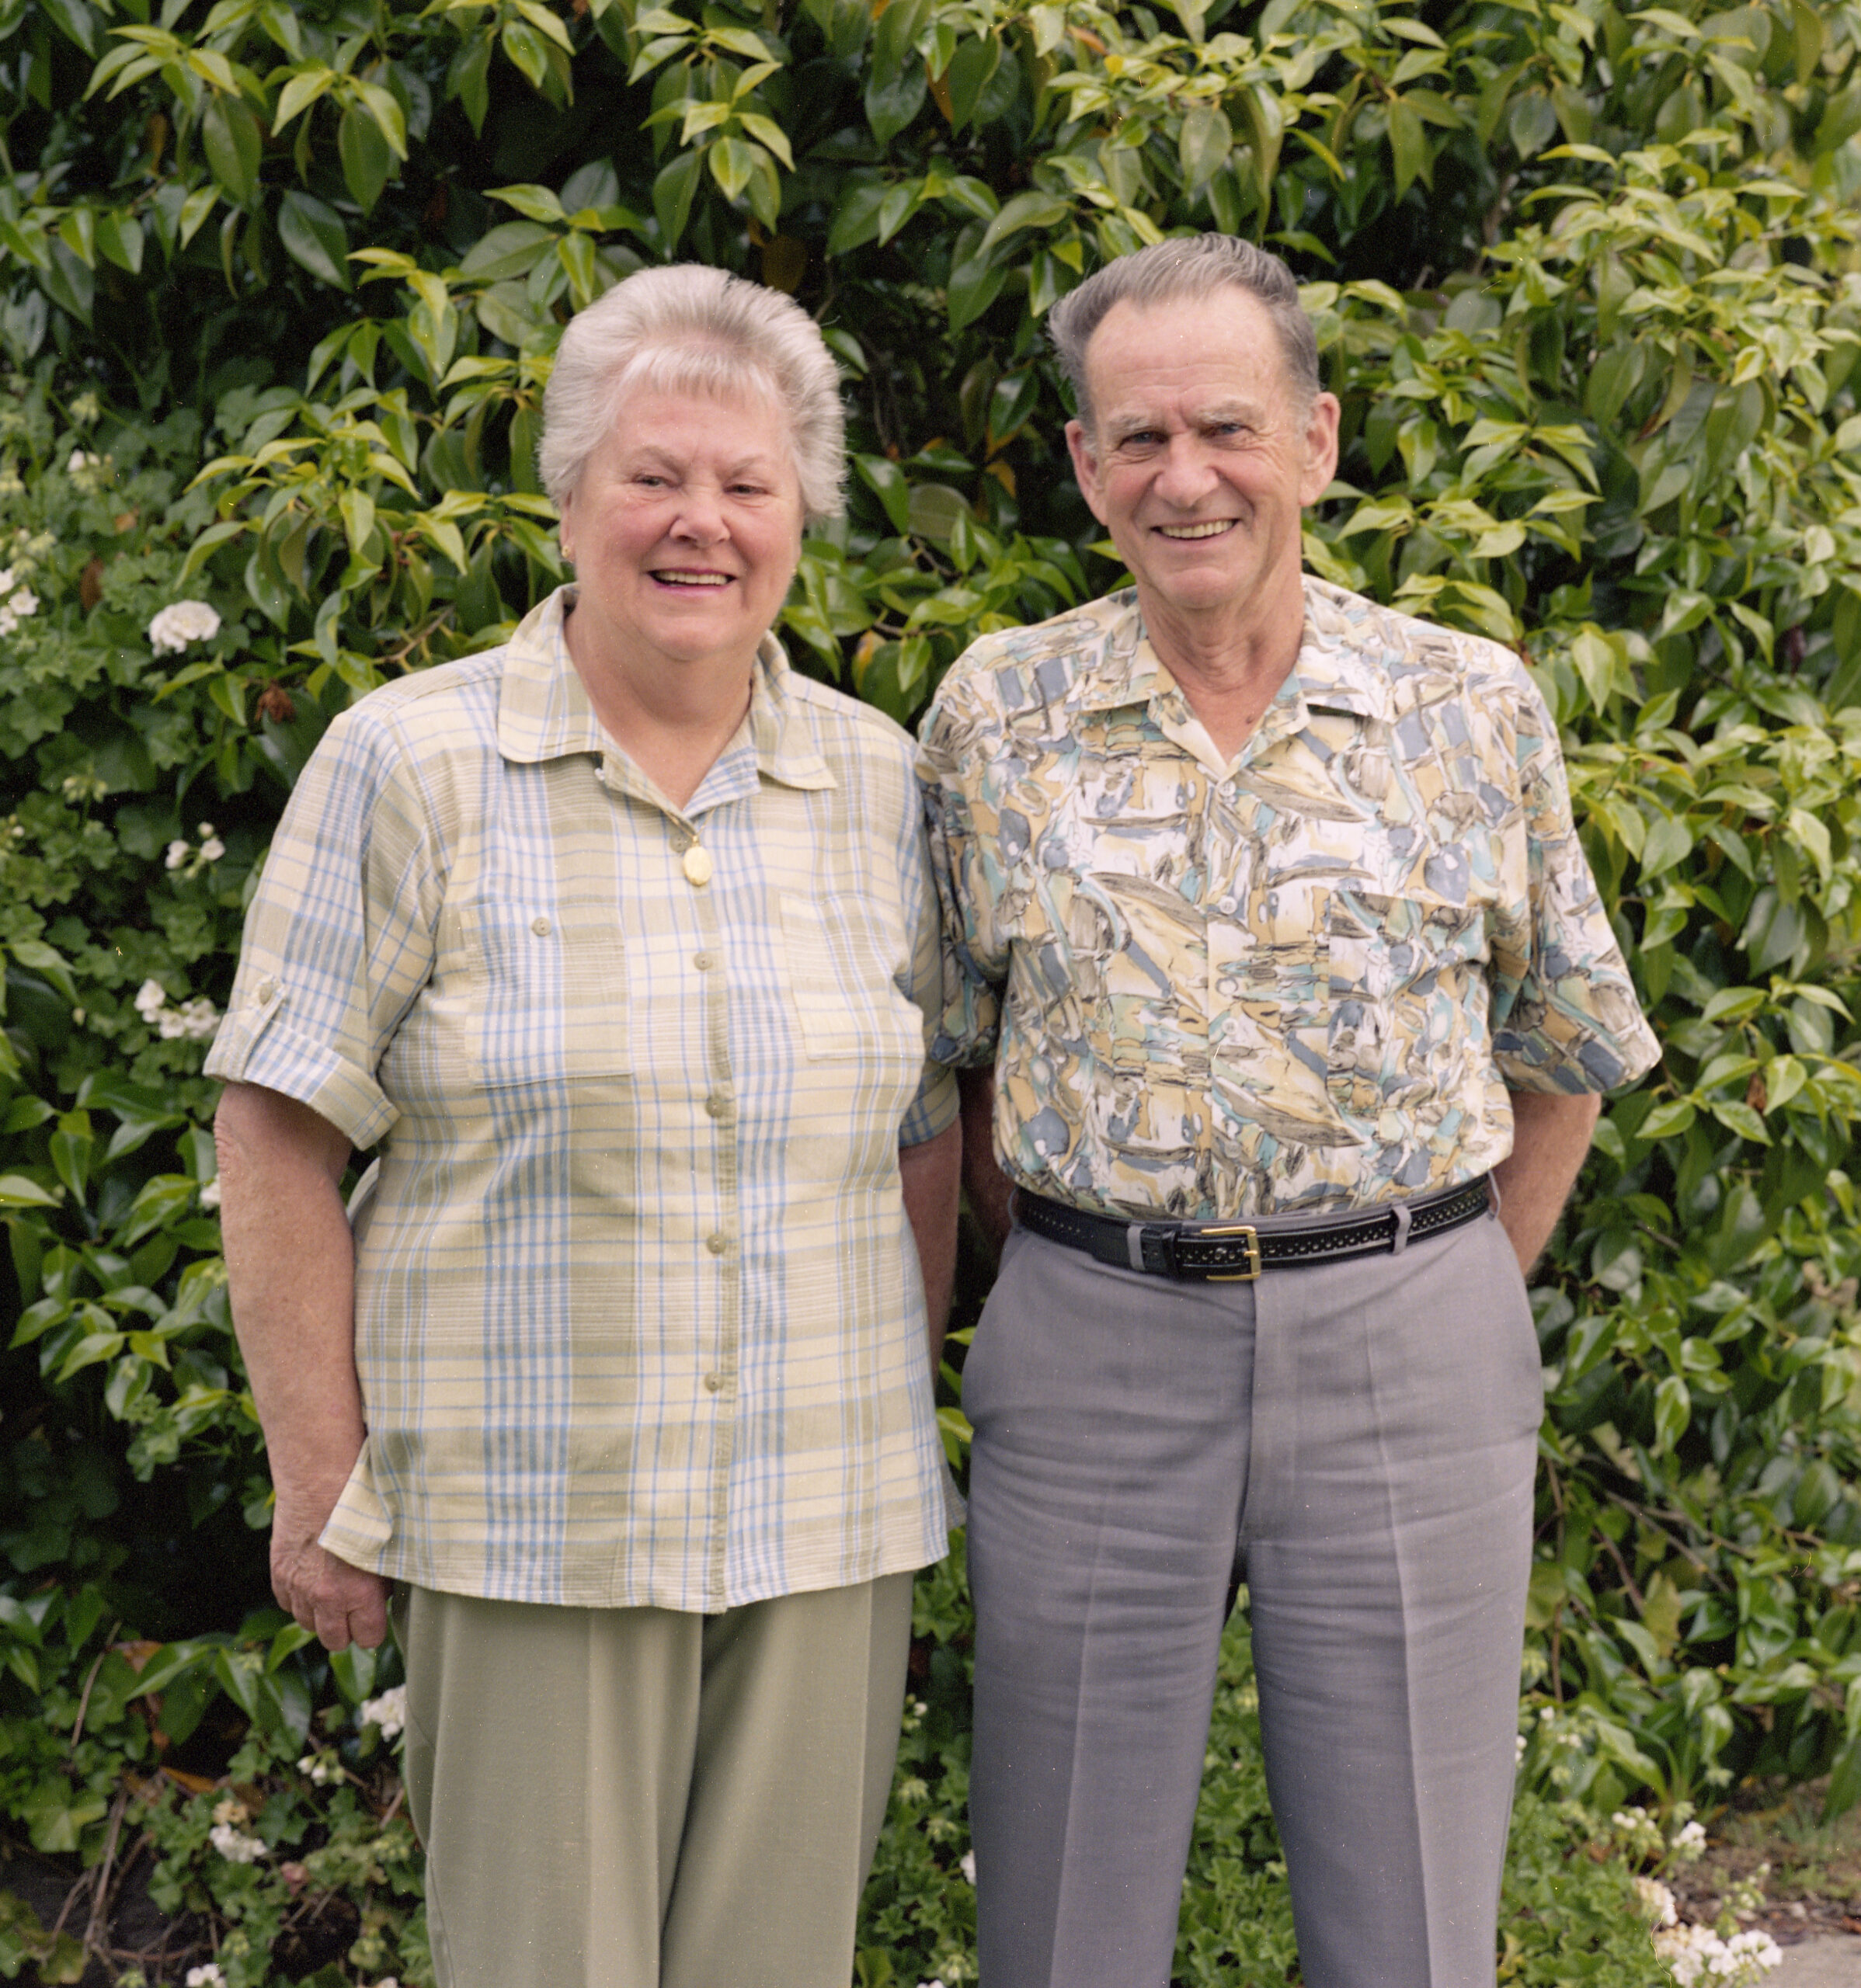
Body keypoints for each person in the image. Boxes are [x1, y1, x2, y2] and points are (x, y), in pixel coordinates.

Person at [916, 235, 1661, 1988]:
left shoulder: (1467, 707)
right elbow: (948, 1059)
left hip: (1412, 1338)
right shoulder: (993, 715)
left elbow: (1562, 1041)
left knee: (1410, 1923)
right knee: (1060, 1920)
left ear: (1315, 442)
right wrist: (1067, 1265)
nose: (1186, 477)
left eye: (1227, 428)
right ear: (1086, 464)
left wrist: (1442, 1281)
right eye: (1139, 436)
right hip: (1094, 1347)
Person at [207, 262, 962, 1988]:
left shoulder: (879, 782)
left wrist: (891, 1385)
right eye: (654, 476)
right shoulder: (410, 763)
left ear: (801, 521)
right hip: (530, 1519)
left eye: (748, 484)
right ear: (567, 500)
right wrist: (319, 1481)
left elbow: (926, 1124)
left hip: (825, 1522)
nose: (703, 521)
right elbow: (276, 1133)